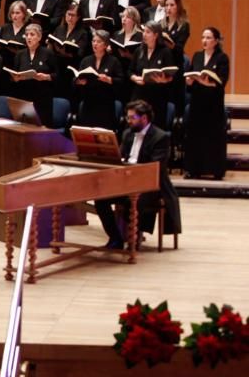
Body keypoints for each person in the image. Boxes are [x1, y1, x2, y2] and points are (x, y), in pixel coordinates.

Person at [94, 100, 181, 250]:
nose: (129, 121)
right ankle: (116, 238)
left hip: (152, 185)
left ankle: (135, 235)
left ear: (144, 118)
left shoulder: (160, 137)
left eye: (132, 118)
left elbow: (156, 167)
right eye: (128, 118)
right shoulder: (128, 133)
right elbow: (120, 156)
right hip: (127, 181)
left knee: (134, 200)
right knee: (101, 200)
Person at [184, 27, 230, 179]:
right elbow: (191, 75)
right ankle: (193, 169)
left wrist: (208, 83)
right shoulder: (197, 56)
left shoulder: (222, 58)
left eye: (208, 38)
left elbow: (222, 82)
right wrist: (190, 81)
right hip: (197, 102)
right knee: (195, 135)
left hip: (213, 104)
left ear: (216, 41)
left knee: (213, 136)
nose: (205, 40)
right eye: (203, 37)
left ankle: (215, 170)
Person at [75, 30, 124, 130]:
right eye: (93, 41)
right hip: (88, 103)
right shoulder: (86, 60)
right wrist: (78, 82)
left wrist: (109, 79)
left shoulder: (113, 61)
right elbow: (76, 78)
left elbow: (121, 81)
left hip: (105, 105)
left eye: (98, 42)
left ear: (105, 45)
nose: (95, 44)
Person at [128, 21, 175, 127]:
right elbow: (130, 71)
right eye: (144, 31)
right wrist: (134, 78)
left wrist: (164, 80)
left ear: (156, 35)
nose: (144, 34)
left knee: (154, 126)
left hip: (157, 96)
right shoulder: (139, 51)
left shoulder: (165, 52)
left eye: (148, 32)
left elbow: (171, 75)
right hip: (139, 95)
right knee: (136, 123)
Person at [9, 23, 57, 126]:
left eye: (32, 34)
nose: (29, 37)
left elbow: (57, 75)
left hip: (42, 99)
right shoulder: (20, 54)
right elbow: (14, 75)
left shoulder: (48, 53)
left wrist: (47, 77)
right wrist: (15, 79)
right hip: (24, 97)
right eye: (27, 35)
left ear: (39, 37)